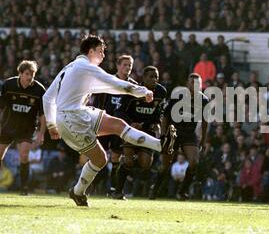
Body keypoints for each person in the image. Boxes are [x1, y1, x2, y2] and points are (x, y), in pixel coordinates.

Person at [42, 35, 176, 207]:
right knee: (100, 160)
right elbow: (114, 82)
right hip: (71, 120)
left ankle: (160, 145)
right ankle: (77, 192)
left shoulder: (70, 67)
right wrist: (142, 91)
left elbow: (48, 97)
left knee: (118, 125)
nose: (103, 55)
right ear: (91, 51)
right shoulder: (85, 66)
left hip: (79, 113)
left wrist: (52, 123)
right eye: (101, 51)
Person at [113, 66, 170, 200]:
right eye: (151, 76)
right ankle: (118, 191)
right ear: (143, 78)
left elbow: (159, 113)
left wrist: (148, 125)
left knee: (145, 164)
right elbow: (119, 111)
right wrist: (130, 123)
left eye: (156, 76)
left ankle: (126, 166)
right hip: (131, 129)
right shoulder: (133, 91)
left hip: (147, 129)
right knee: (128, 159)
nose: (154, 79)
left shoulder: (161, 92)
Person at [149, 73, 209, 200]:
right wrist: (164, 134)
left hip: (189, 134)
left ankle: (182, 192)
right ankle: (155, 189)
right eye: (193, 82)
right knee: (165, 165)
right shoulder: (178, 96)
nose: (195, 85)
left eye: (198, 83)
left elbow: (205, 122)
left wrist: (203, 140)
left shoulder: (204, 100)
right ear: (188, 83)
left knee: (194, 162)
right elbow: (165, 116)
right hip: (173, 132)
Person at [90, 55, 137, 196]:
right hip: (104, 122)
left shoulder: (133, 86)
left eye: (130, 65)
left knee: (116, 157)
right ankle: (92, 185)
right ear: (118, 66)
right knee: (98, 155)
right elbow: (97, 101)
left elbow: (134, 107)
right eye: (125, 65)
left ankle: (113, 189)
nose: (127, 68)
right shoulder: (108, 81)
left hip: (120, 126)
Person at [0, 60, 46, 195]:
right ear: (20, 73)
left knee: (24, 155)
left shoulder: (39, 90)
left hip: (27, 129)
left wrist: (41, 133)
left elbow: (43, 115)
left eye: (32, 74)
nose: (30, 77)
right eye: (27, 74)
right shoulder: (8, 85)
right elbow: (1, 107)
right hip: (8, 126)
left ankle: (24, 188)